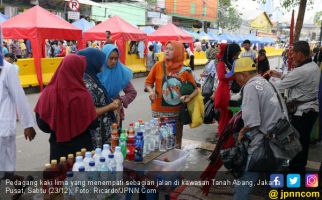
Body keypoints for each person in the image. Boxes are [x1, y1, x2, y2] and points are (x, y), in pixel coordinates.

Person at [225, 57, 286, 200]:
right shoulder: (265, 82)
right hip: (280, 139)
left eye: (236, 76)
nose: (235, 80)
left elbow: (252, 122)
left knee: (244, 183)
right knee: (274, 181)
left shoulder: (251, 87)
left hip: (264, 143)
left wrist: (241, 132)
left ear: (244, 75)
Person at [34, 54, 97, 161]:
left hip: (58, 150)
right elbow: (93, 124)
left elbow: (42, 125)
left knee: (59, 176)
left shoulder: (48, 93)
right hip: (82, 151)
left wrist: (60, 127)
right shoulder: (83, 95)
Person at [270, 41, 320, 172]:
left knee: (296, 143)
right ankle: (299, 167)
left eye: (292, 53)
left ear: (300, 54)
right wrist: (279, 75)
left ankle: (295, 170)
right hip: (311, 110)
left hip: (303, 112)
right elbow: (297, 78)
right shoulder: (313, 65)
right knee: (303, 141)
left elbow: (277, 87)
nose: (290, 56)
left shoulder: (302, 71)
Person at [145, 41, 199, 148]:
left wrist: (189, 97)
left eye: (170, 49)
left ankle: (175, 159)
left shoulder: (185, 70)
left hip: (177, 112)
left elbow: (196, 89)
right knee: (160, 141)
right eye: (166, 48)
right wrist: (151, 91)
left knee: (176, 141)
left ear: (178, 52)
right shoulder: (158, 66)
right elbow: (148, 83)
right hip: (159, 112)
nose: (167, 51)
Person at [0, 59, 36, 173]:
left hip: (3, 128)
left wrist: (28, 124)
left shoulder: (7, 69)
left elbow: (19, 96)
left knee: (7, 166)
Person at [78, 48, 118, 148]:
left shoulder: (92, 77)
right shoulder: (87, 83)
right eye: (99, 60)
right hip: (96, 132)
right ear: (93, 62)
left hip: (102, 129)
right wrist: (109, 107)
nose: (102, 63)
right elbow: (90, 111)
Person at [98, 44, 137, 129]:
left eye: (116, 58)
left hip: (115, 114)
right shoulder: (97, 70)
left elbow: (132, 92)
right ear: (104, 57)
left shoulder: (121, 71)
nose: (114, 61)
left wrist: (120, 100)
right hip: (99, 115)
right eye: (111, 58)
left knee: (115, 140)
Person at [214, 43, 241, 139]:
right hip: (224, 93)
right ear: (230, 53)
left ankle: (228, 140)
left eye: (238, 55)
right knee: (225, 119)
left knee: (230, 118)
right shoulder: (222, 63)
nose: (237, 57)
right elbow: (221, 76)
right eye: (236, 54)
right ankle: (223, 142)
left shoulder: (230, 63)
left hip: (231, 93)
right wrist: (235, 76)